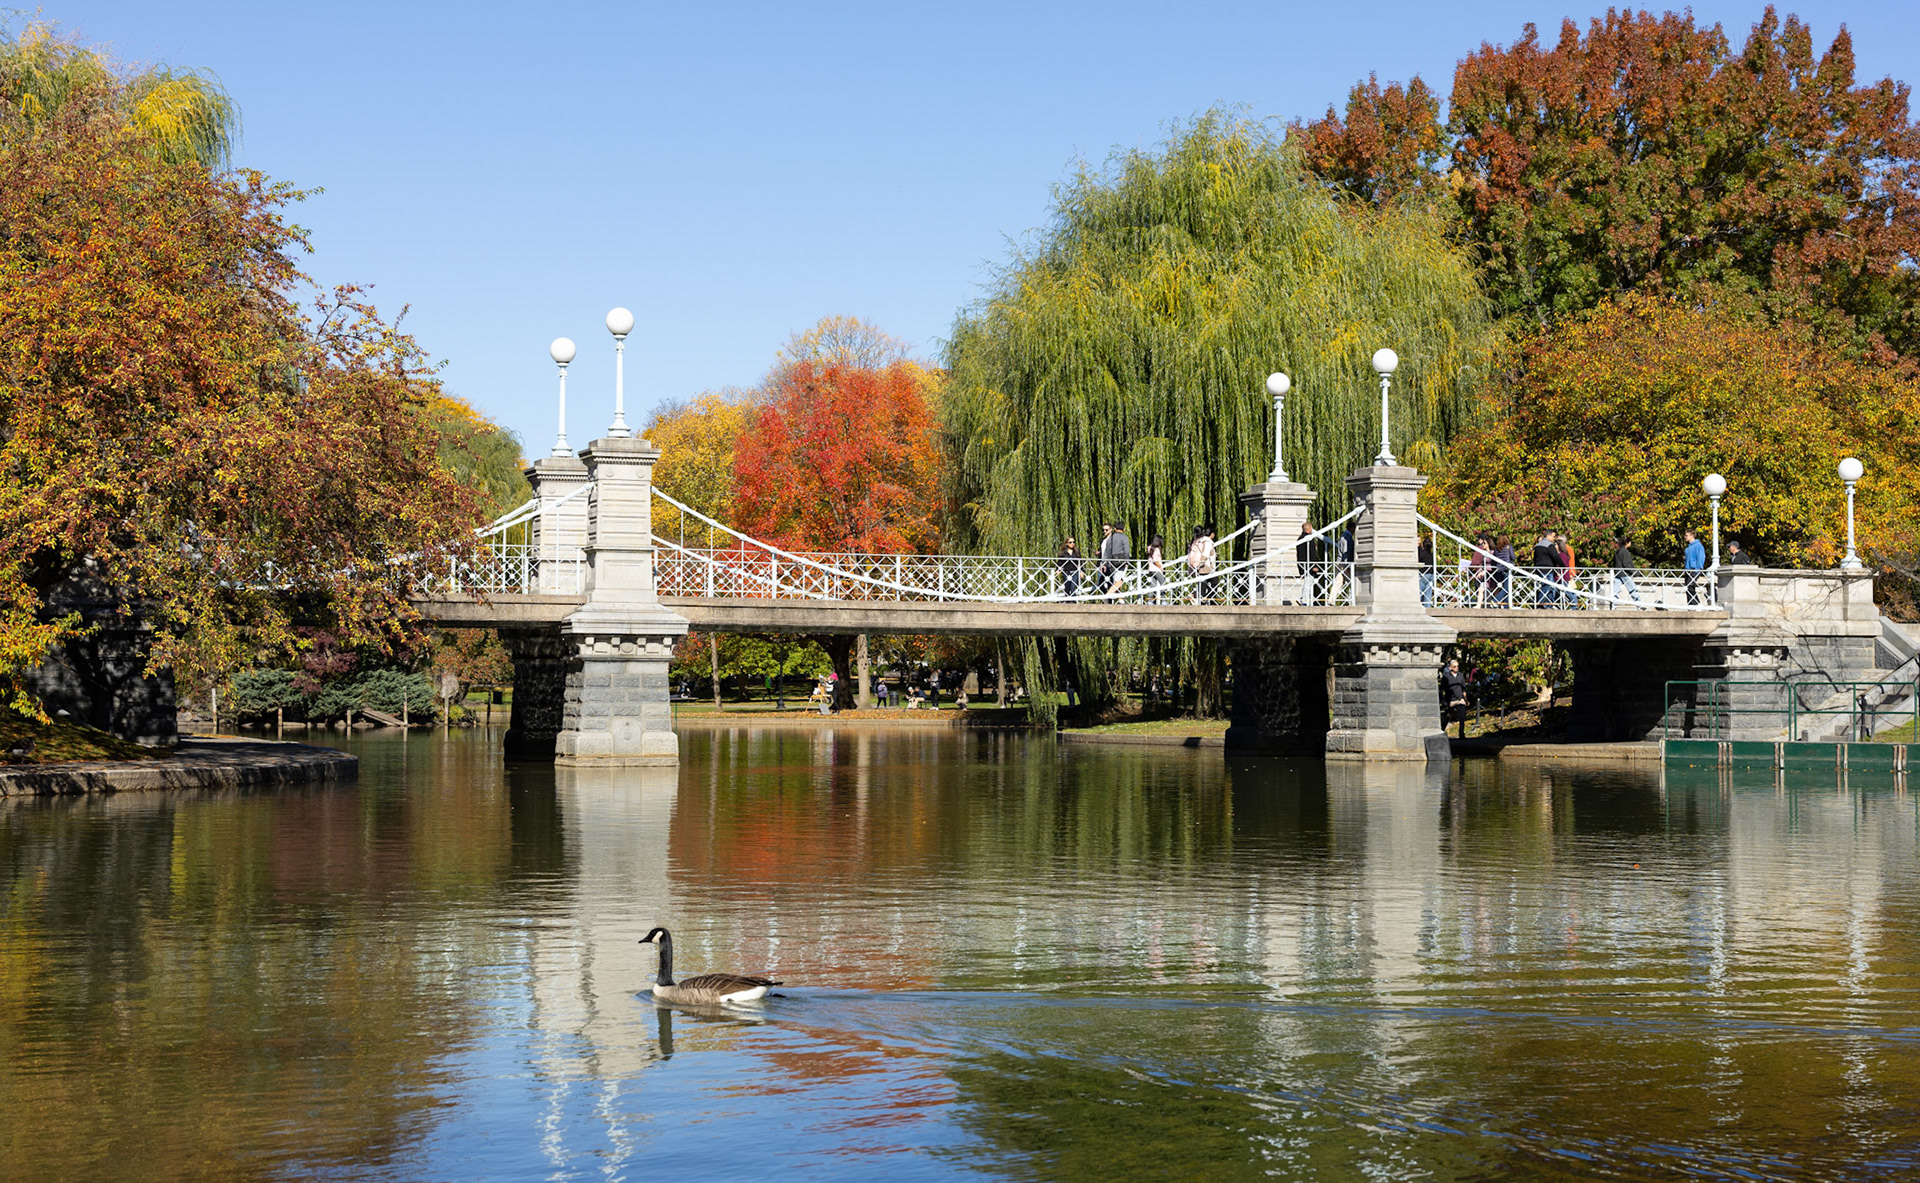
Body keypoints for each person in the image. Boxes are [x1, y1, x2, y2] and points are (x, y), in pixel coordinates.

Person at [1098, 521, 1131, 597]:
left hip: (1112, 563)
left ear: (1115, 529)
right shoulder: (1124, 538)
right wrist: (1127, 561)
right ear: (1124, 529)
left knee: (1116, 580)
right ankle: (1107, 595)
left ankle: (1120, 599)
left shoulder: (1110, 538)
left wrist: (1105, 564)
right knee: (1119, 581)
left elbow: (1107, 552)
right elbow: (1126, 551)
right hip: (1121, 562)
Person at [1611, 533, 1644, 606]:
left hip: (1618, 573)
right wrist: (1634, 572)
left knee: (1615, 590)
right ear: (1627, 543)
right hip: (1625, 574)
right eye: (1630, 542)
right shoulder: (1624, 551)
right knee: (1632, 589)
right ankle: (1640, 604)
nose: (1630, 543)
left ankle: (1613, 604)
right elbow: (1626, 564)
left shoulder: (1617, 551)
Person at [1186, 525, 1216, 604]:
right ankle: (1202, 598)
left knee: (1202, 585)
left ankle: (1198, 598)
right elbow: (1205, 554)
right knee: (1215, 582)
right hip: (1205, 567)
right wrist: (1201, 564)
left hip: (1195, 566)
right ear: (1212, 534)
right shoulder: (1207, 542)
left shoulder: (1195, 541)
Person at [1441, 658, 1470, 738]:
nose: (1456, 668)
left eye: (1457, 666)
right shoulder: (1446, 677)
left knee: (1462, 717)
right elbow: (1442, 689)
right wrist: (1443, 700)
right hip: (1450, 700)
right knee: (1447, 716)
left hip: (1460, 699)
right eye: (1454, 666)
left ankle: (1461, 733)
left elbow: (1464, 688)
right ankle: (1441, 731)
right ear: (1450, 667)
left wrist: (1466, 699)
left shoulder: (1460, 675)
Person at [1296, 521, 1322, 604]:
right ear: (1310, 529)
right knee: (1309, 582)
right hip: (1309, 564)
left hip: (1301, 563)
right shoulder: (1309, 539)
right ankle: (1303, 599)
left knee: (1307, 581)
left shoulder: (1300, 538)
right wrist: (1314, 565)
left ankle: (1303, 599)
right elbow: (1312, 553)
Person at [1531, 531, 1559, 607]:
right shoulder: (1549, 545)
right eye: (1553, 536)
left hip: (1540, 569)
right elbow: (1556, 557)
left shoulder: (1537, 545)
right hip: (1547, 569)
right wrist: (1563, 566)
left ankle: (1548, 604)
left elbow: (1535, 558)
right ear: (1548, 536)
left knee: (1549, 587)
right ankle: (1542, 603)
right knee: (1548, 587)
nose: (1554, 539)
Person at [1683, 529, 1707, 604]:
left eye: (1687, 535)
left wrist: (1698, 569)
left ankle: (1696, 603)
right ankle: (1690, 604)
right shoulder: (1687, 548)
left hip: (1694, 570)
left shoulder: (1698, 546)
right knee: (1687, 588)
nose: (1685, 537)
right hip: (1687, 570)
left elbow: (1701, 558)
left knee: (1690, 586)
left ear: (1692, 536)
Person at [1470, 534, 1492, 606]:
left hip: (1486, 574)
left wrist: (1468, 568)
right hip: (1484, 573)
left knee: (1481, 589)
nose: (1483, 545)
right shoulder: (1484, 552)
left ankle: (1484, 605)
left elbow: (1475, 561)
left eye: (1484, 543)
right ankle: (1482, 605)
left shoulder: (1483, 551)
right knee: (1482, 590)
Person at [1492, 535, 1515, 605]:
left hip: (1499, 570)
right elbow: (1513, 557)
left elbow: (1494, 559)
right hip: (1506, 569)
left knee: (1504, 587)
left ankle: (1506, 605)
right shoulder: (1508, 547)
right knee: (1507, 588)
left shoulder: (1496, 549)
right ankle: (1495, 600)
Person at [1147, 534, 1168, 602]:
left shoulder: (1150, 548)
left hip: (1151, 569)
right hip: (1156, 569)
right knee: (1163, 583)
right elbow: (1156, 561)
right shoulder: (1156, 549)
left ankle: (1149, 601)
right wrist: (1161, 567)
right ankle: (1163, 600)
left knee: (1153, 585)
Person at [1418, 534, 1436, 605]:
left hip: (1423, 574)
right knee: (1428, 593)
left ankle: (1418, 605)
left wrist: (1418, 547)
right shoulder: (1432, 554)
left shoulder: (1422, 553)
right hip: (1431, 574)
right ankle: (1427, 606)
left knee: (1420, 591)